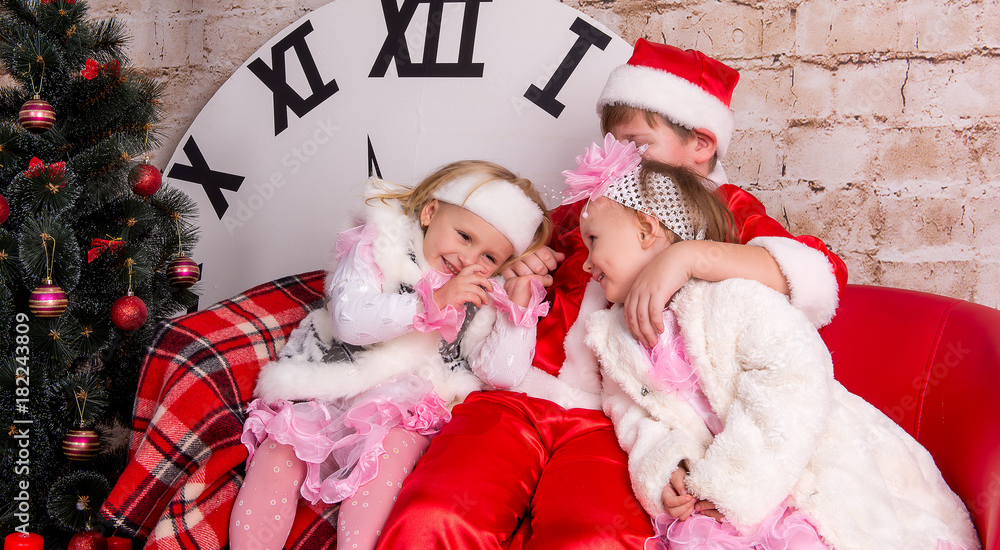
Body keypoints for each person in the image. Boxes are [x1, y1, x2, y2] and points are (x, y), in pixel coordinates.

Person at [378, 40, 849, 548]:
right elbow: (505, 255)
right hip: (521, 392)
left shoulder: (728, 209)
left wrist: (686, 257)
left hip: (614, 420)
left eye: (637, 143)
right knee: (437, 513)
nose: (621, 157)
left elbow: (816, 274)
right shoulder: (597, 202)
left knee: (593, 538)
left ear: (702, 145)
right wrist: (523, 261)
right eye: (614, 143)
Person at [560, 136, 980, 549]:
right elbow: (635, 416)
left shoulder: (730, 295)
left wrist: (735, 480)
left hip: (795, 472)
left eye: (594, 240)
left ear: (648, 229)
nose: (587, 260)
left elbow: (793, 378)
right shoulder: (614, 338)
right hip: (710, 499)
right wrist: (668, 463)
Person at [228, 160, 552, 550]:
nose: (470, 260)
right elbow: (349, 319)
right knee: (281, 450)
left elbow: (501, 374)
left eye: (489, 257)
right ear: (431, 212)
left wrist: (519, 312)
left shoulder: (480, 294)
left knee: (387, 466)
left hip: (404, 408)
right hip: (331, 382)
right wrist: (428, 304)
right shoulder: (383, 243)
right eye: (465, 236)